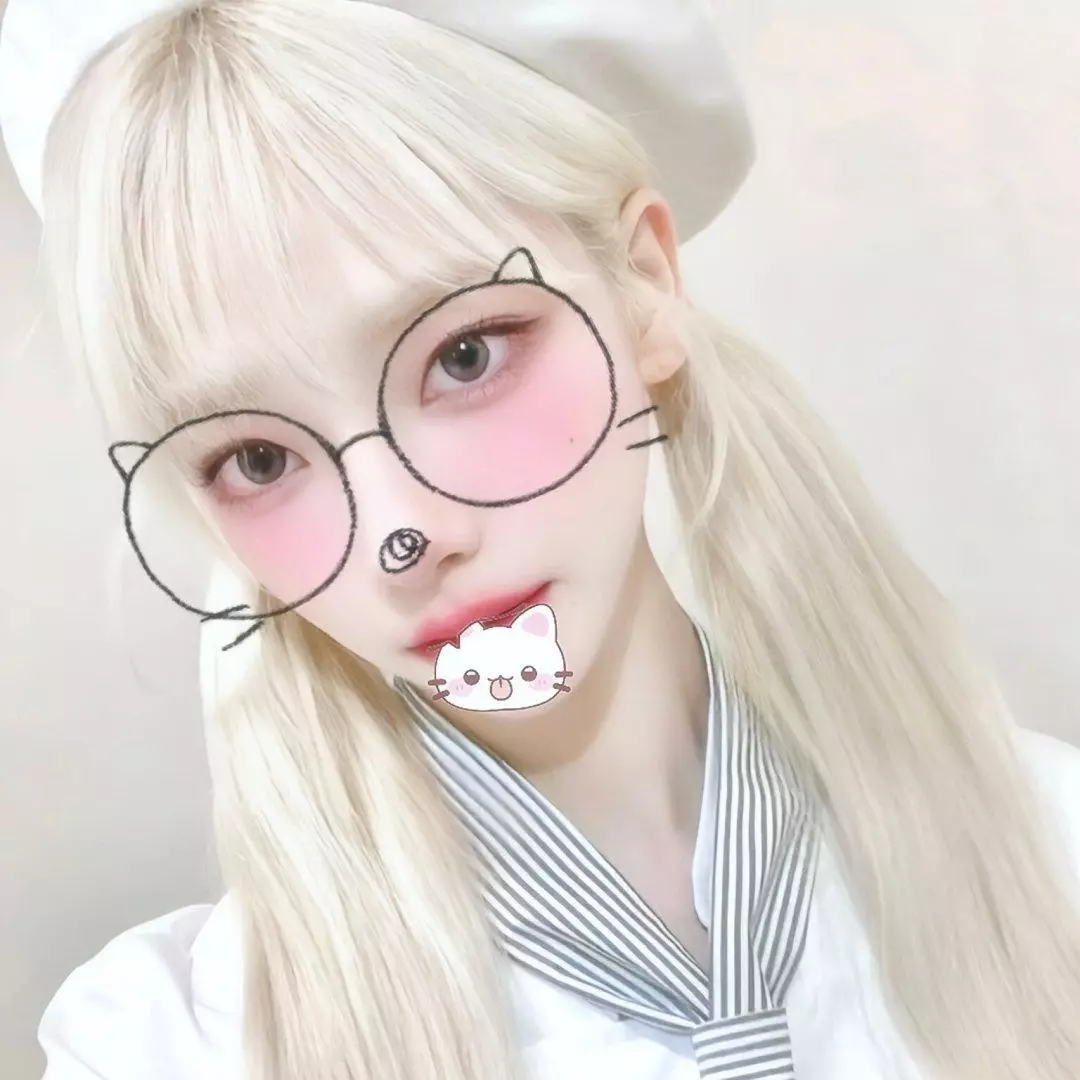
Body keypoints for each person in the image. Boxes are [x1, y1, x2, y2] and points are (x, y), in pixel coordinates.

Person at [2, 1, 1079, 1078]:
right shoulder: (175, 1045)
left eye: (465, 356)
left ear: (644, 283)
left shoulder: (1053, 846)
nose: (401, 531)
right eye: (258, 459)